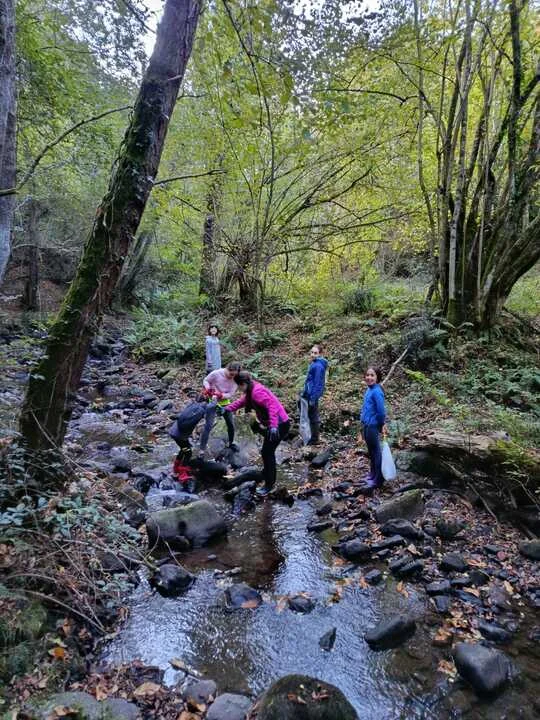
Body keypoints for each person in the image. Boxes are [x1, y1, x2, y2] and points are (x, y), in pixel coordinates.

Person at [225, 371, 290, 497]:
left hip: (280, 424)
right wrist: (227, 408)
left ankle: (269, 484)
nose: (238, 389)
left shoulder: (256, 392)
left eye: (238, 386)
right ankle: (266, 475)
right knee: (266, 452)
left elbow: (272, 406)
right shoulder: (251, 389)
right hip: (276, 424)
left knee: (267, 453)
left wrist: (273, 426)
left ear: (243, 384)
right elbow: (241, 402)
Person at [199, 361, 242, 452]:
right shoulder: (216, 373)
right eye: (231, 374)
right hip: (212, 401)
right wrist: (208, 388)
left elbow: (230, 394)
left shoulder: (235, 379)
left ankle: (231, 443)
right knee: (208, 425)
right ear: (227, 369)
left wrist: (221, 395)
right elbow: (206, 380)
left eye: (234, 375)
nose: (232, 376)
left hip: (225, 402)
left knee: (230, 423)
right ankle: (202, 449)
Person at [359, 366, 387, 491]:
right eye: (367, 375)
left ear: (377, 377)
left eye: (372, 375)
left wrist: (381, 424)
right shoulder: (369, 390)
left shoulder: (377, 391)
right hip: (366, 424)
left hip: (373, 425)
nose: (369, 377)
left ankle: (378, 479)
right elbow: (366, 408)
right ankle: (372, 474)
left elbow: (381, 411)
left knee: (376, 451)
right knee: (370, 451)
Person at [302, 344, 328, 445]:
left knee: (313, 416)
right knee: (311, 415)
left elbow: (317, 383)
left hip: (312, 395)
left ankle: (314, 439)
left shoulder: (318, 366)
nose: (313, 354)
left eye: (315, 353)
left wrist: (313, 397)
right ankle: (312, 437)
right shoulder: (315, 363)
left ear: (320, 354)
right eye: (312, 352)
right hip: (309, 393)